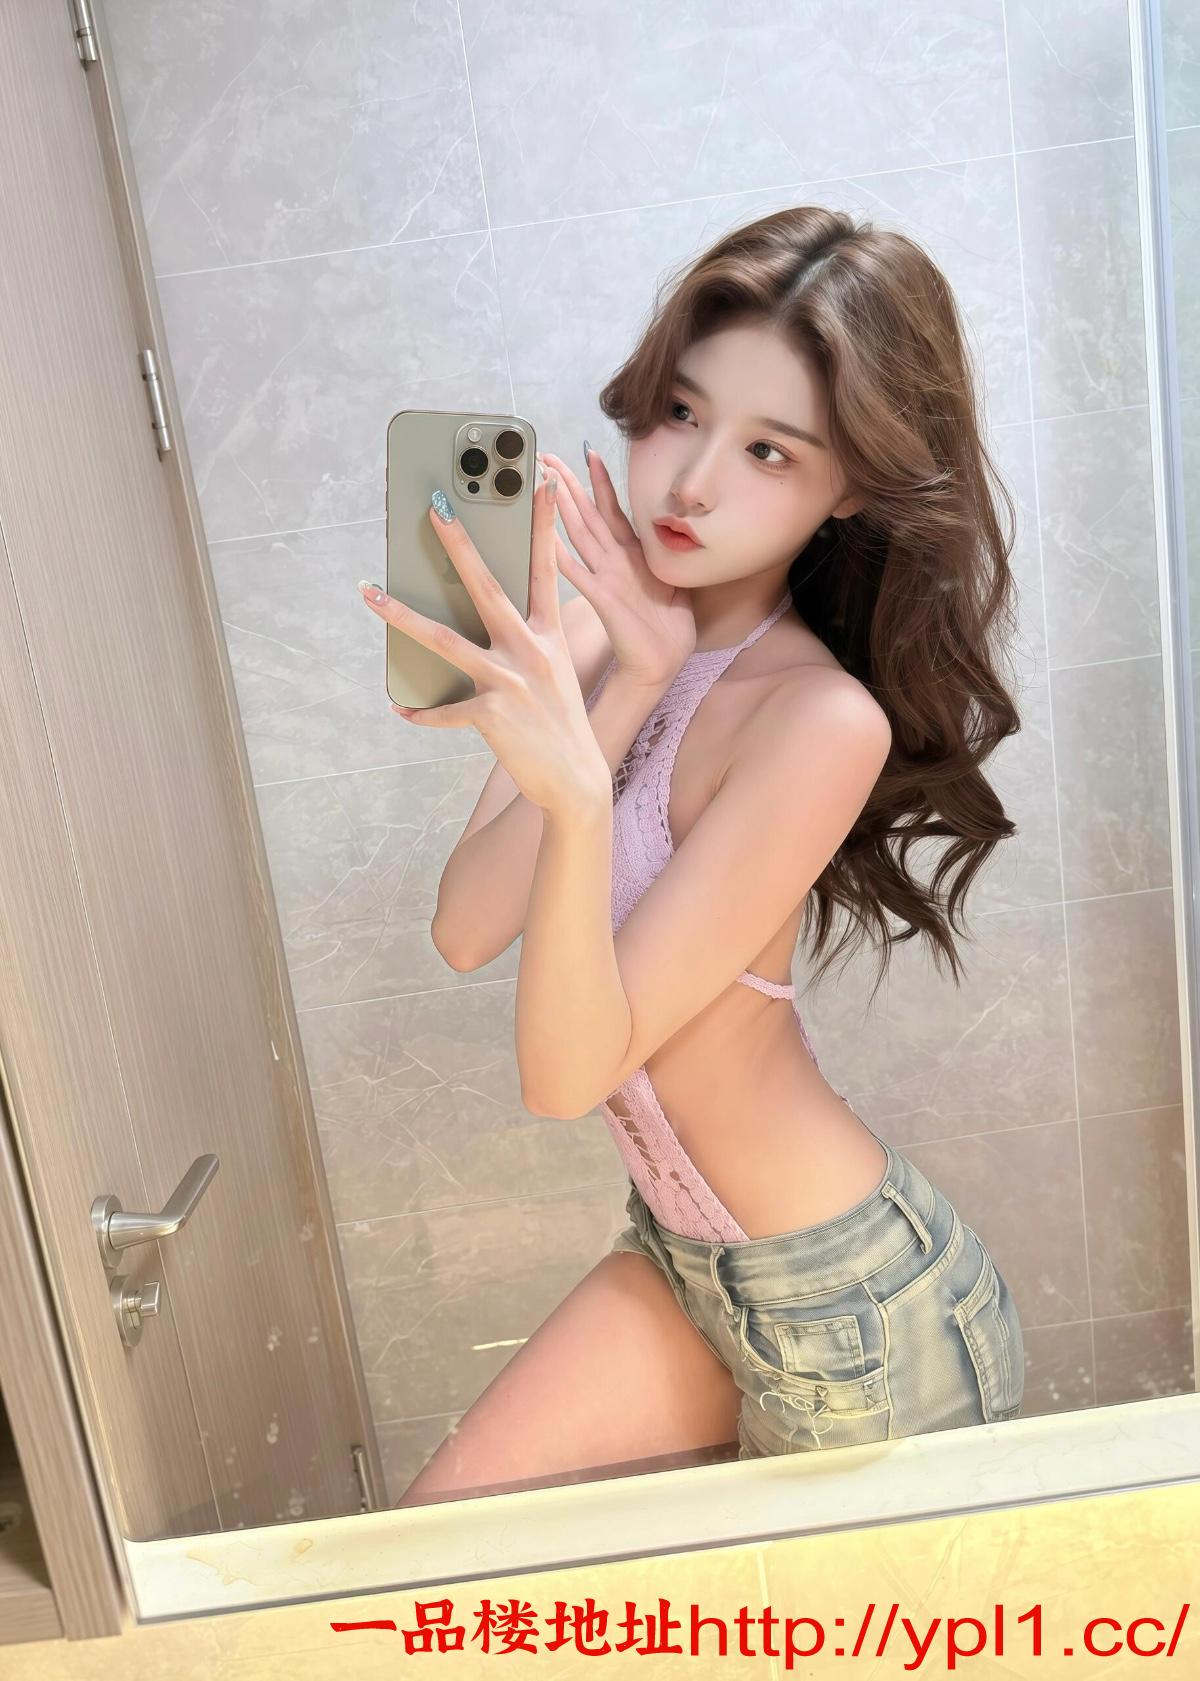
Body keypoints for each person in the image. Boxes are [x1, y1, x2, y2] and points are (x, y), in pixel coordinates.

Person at [388, 205, 1026, 1506]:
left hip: (851, 1303)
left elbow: (568, 1072)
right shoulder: (605, 641)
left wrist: (580, 797)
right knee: (427, 1548)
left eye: (768, 450)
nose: (690, 483)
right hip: (681, 1257)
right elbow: (464, 926)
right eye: (681, 413)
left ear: (850, 486)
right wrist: (624, 682)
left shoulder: (819, 720)